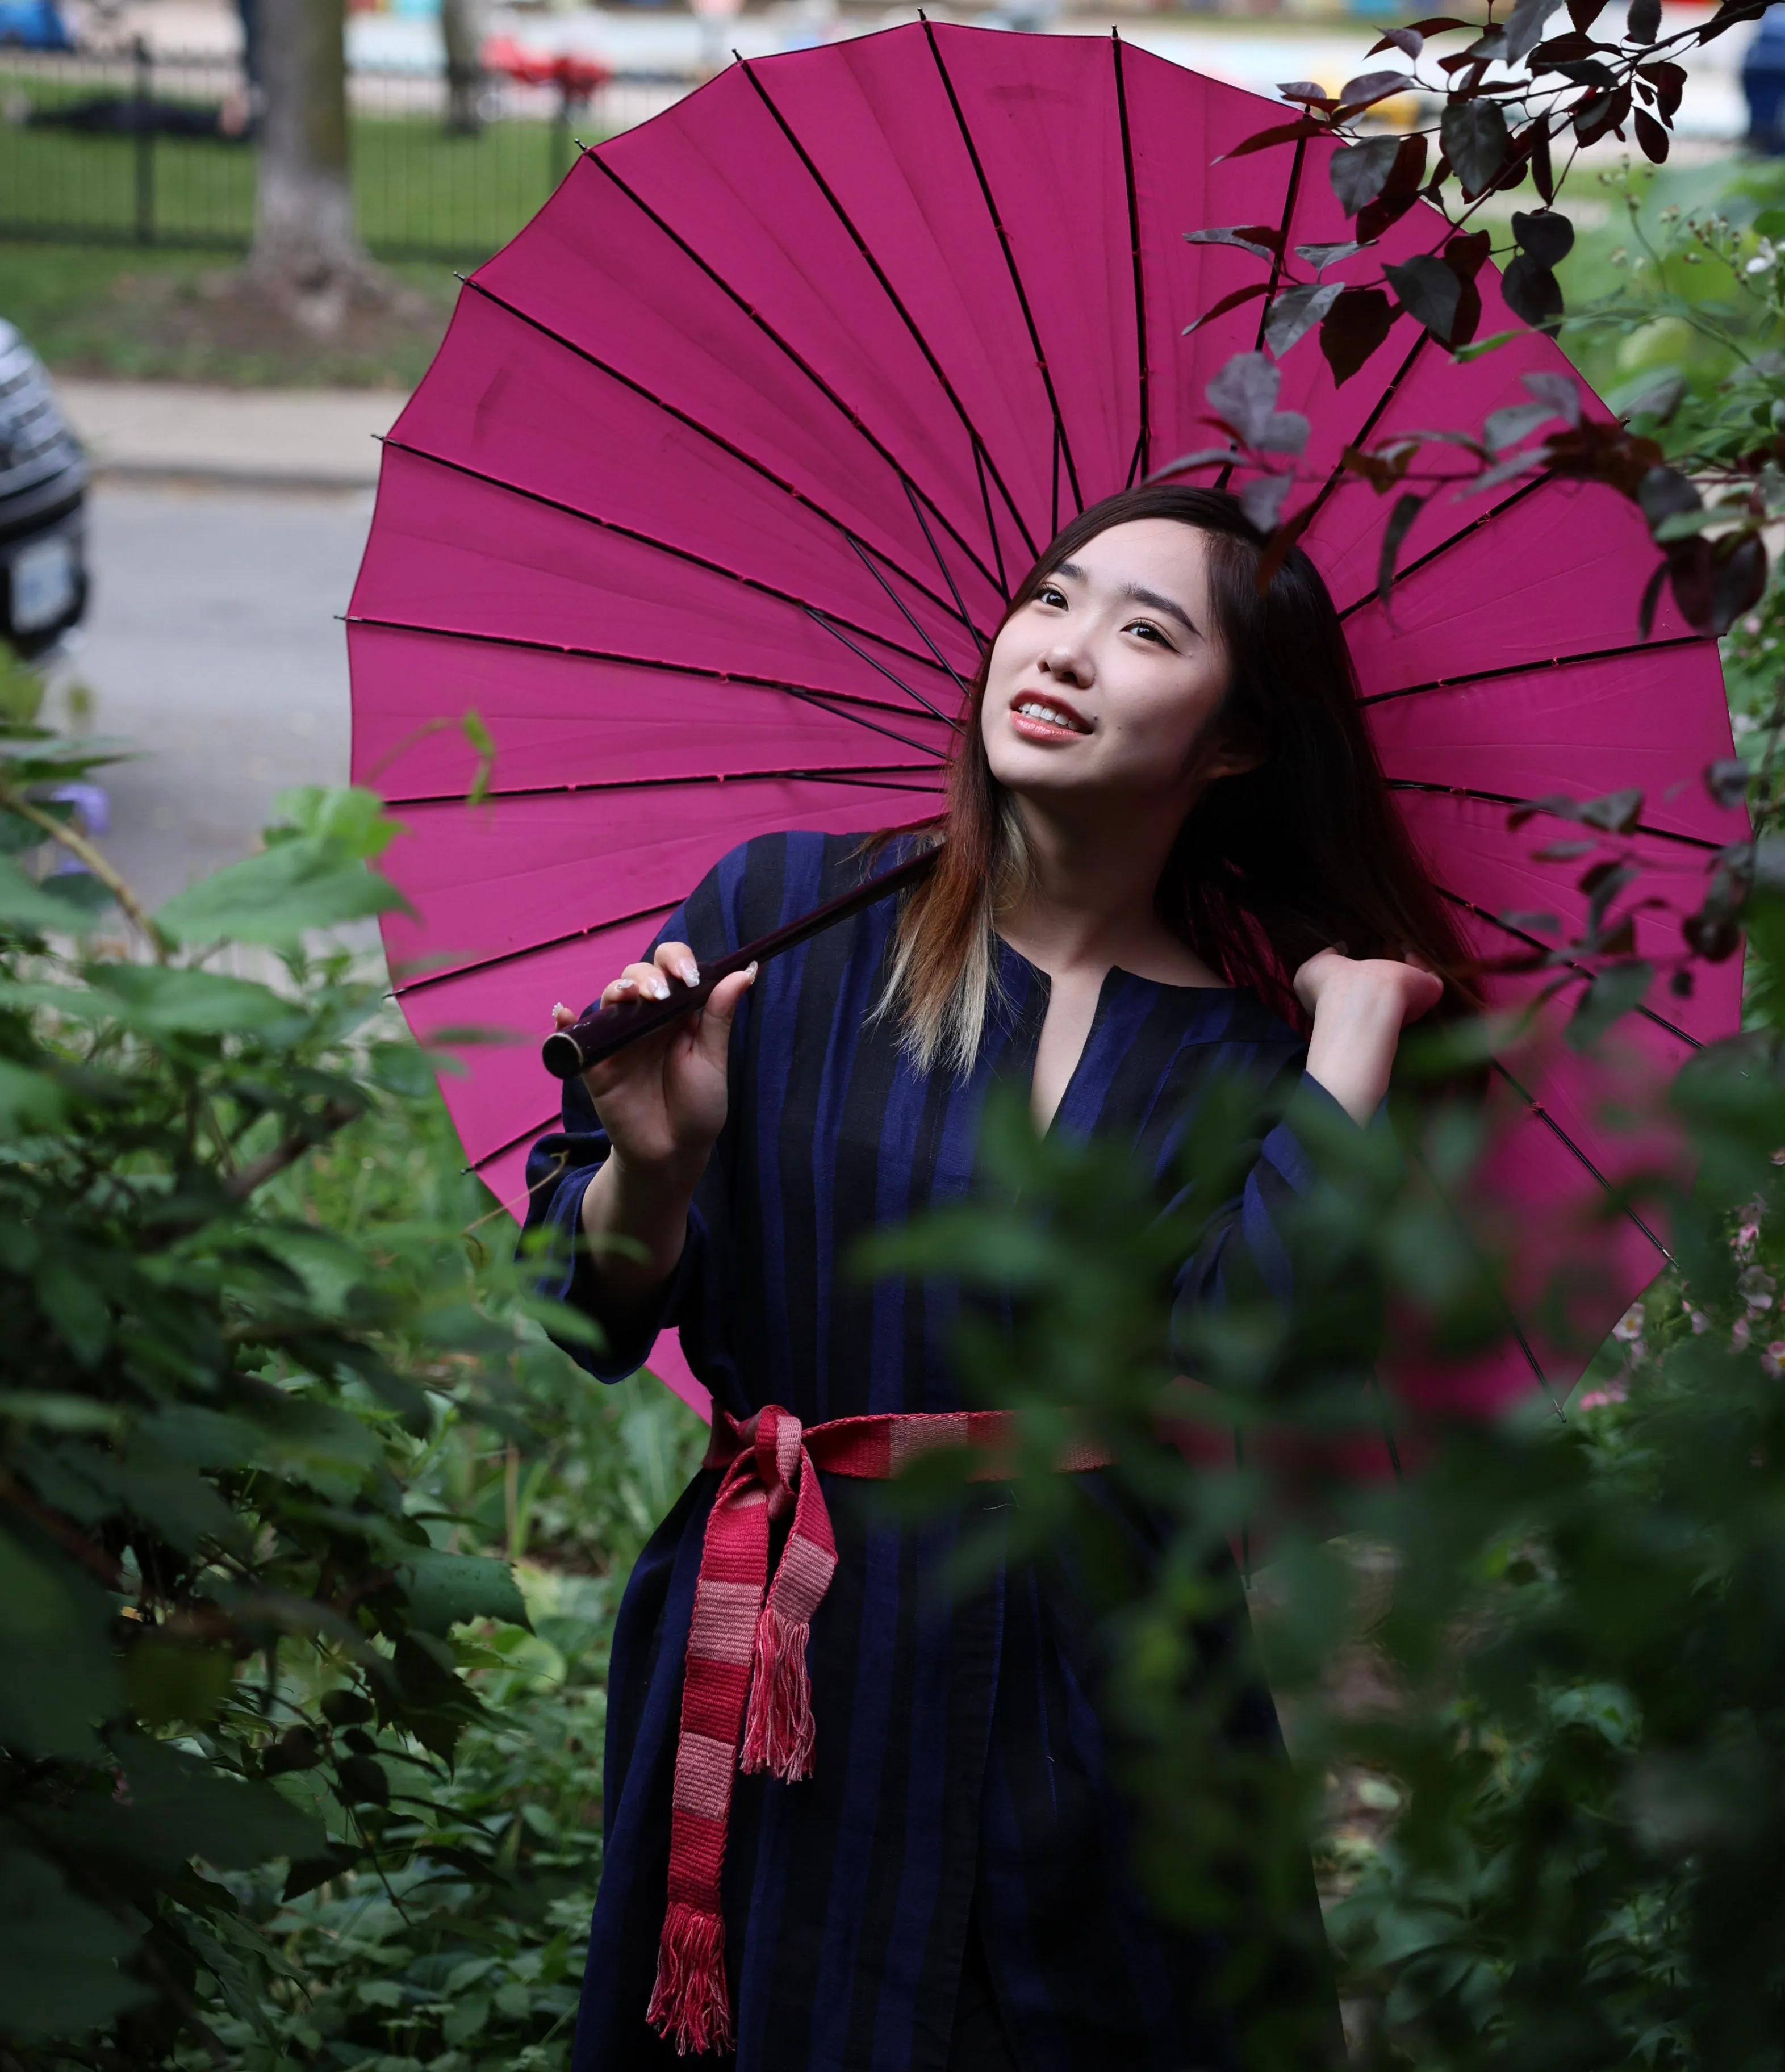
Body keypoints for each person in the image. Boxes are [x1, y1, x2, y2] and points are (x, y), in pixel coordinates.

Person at [528, 482, 1470, 2070]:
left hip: (1098, 1681)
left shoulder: (1244, 1059)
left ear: (1233, 743)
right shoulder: (786, 920)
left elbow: (1250, 1368)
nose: (1069, 649)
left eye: (1147, 631)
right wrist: (660, 1162)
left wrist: (1355, 1042)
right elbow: (585, 1309)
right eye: (1052, 598)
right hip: (783, 1643)